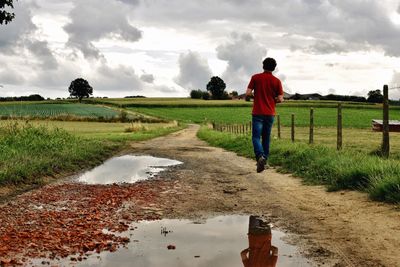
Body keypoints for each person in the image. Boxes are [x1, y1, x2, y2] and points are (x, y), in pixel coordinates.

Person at [246, 57, 284, 173]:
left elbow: (248, 93)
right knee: (266, 138)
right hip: (270, 113)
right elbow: (281, 99)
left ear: (263, 66)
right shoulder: (277, 81)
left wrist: (254, 97)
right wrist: (273, 99)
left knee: (256, 137)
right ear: (274, 68)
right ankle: (264, 161)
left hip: (257, 112)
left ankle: (260, 157)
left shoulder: (255, 77)